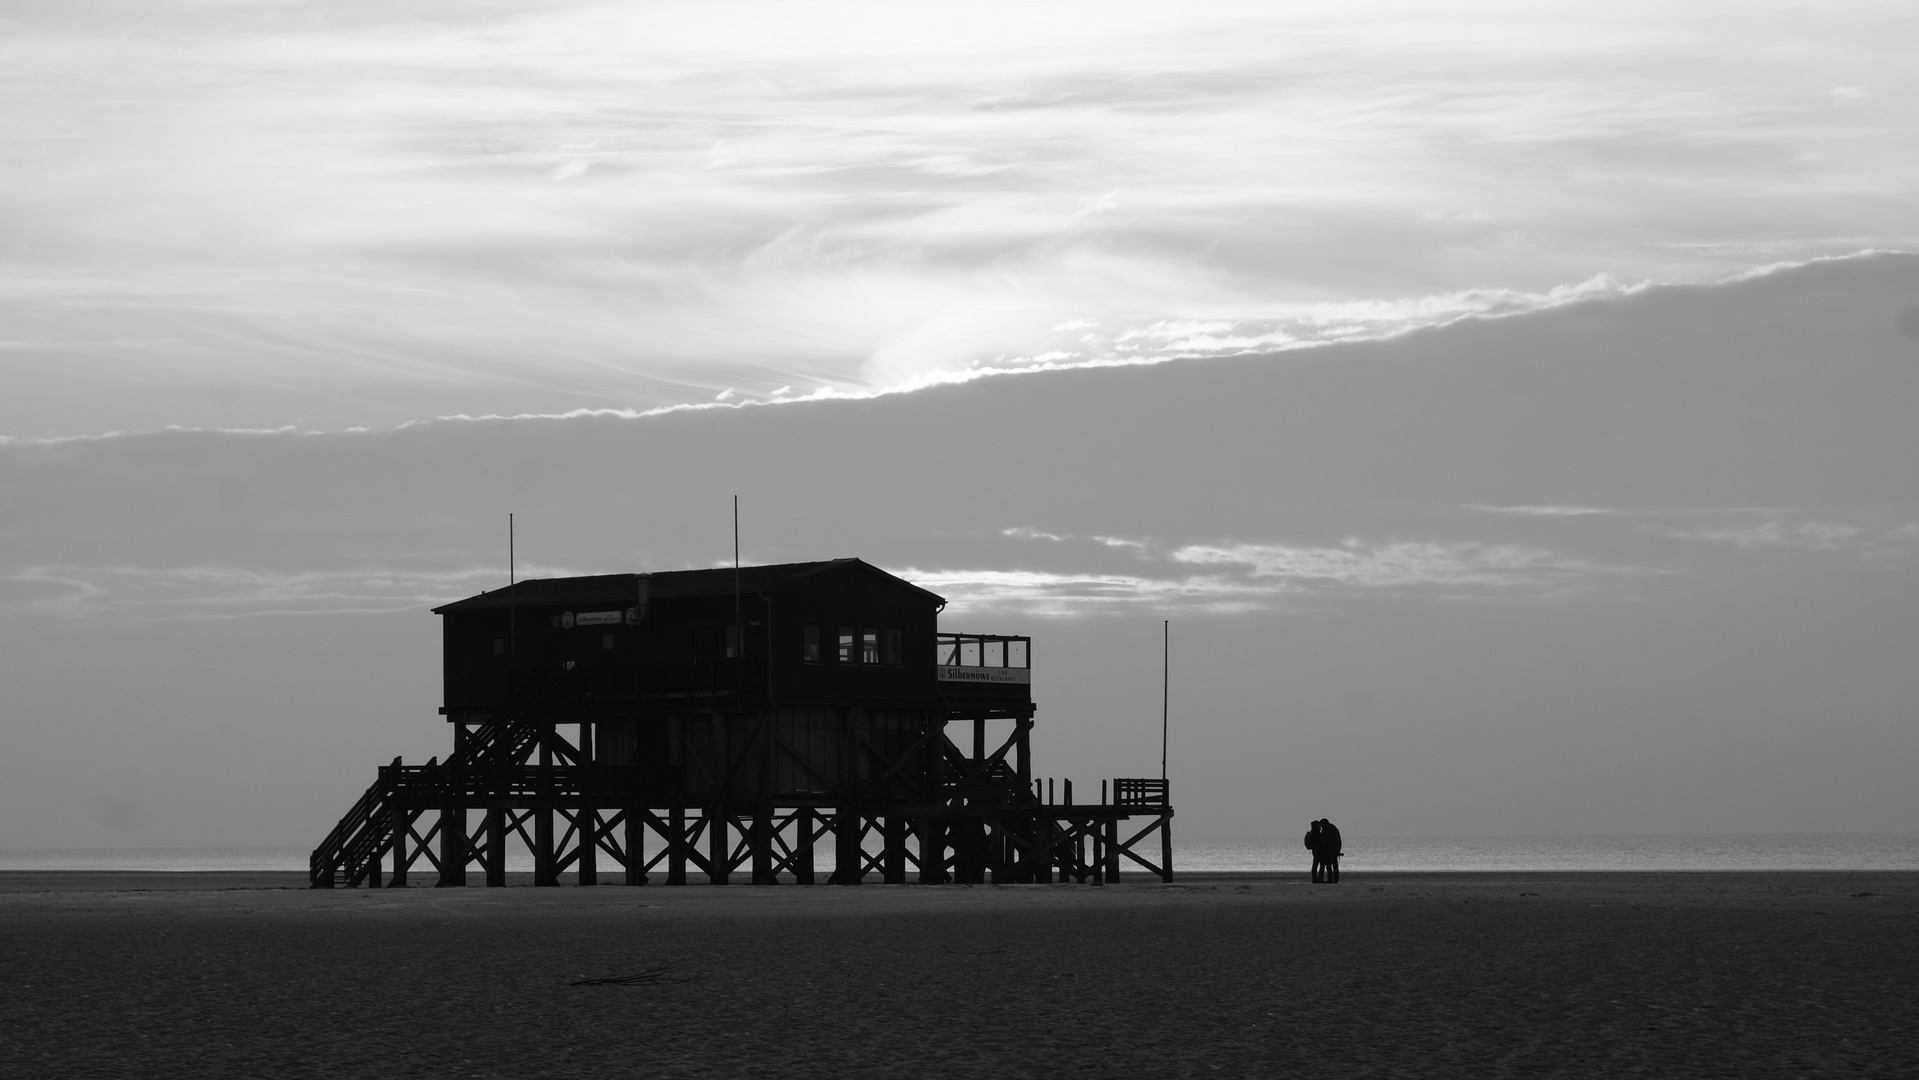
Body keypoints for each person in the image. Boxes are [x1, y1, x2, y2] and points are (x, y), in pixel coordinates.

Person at [1319, 818, 1343, 884]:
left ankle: (1330, 879)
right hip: (1335, 850)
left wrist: (1323, 850)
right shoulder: (1335, 829)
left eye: (1321, 825)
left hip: (1328, 851)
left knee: (1329, 865)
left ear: (1323, 824)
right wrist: (1338, 849)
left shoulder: (1325, 830)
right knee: (1335, 866)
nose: (1321, 827)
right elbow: (1339, 840)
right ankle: (1336, 879)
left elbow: (1324, 840)